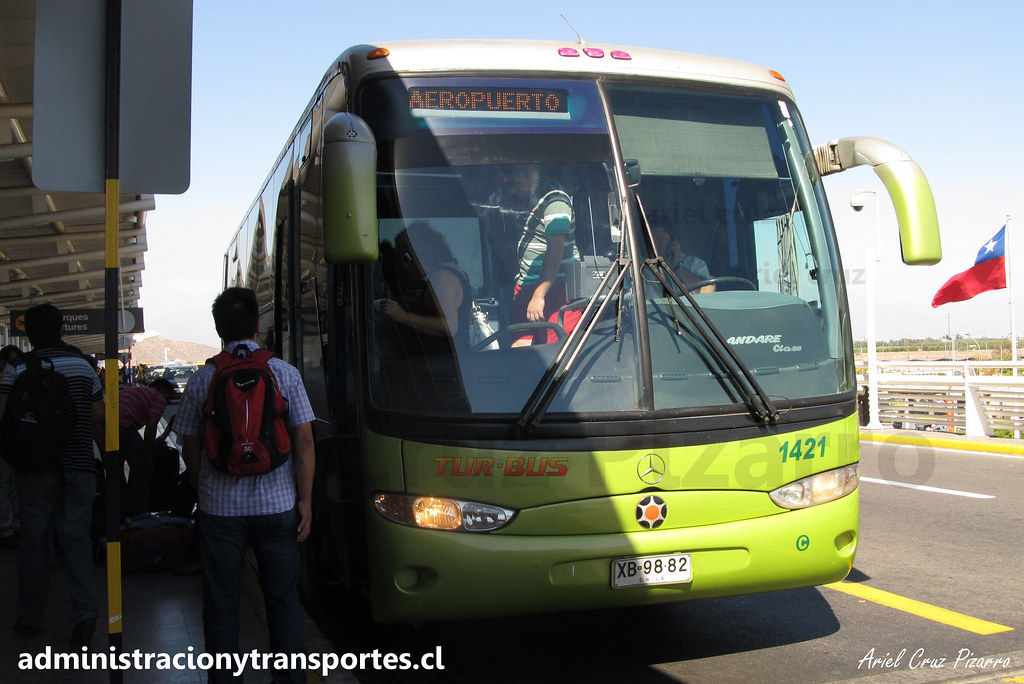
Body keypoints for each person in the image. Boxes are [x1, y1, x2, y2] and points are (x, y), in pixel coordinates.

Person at [175, 287, 315, 684]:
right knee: (282, 601)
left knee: (221, 603)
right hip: (277, 506)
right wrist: (306, 501)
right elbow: (304, 441)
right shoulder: (284, 373)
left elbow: (189, 443)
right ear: (257, 325)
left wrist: (202, 486)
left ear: (219, 329)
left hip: (220, 511)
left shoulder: (203, 378)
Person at [0, 305, 104, 649]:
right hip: (79, 466)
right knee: (77, 541)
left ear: (28, 334)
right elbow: (98, 416)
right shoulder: (83, 367)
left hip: (33, 469)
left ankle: (30, 616)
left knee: (34, 542)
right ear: (62, 330)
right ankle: (85, 615)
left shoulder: (16, 367)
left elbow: (3, 416)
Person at [503, 165, 578, 345]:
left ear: (530, 171)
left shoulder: (556, 202)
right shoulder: (538, 202)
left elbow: (556, 249)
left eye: (516, 182)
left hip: (553, 291)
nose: (513, 190)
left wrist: (538, 295)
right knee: (520, 345)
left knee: (556, 348)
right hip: (529, 287)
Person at [379, 221, 471, 352]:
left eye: (407, 258)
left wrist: (402, 315)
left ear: (421, 251)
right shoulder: (453, 271)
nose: (405, 266)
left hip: (443, 360)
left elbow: (450, 326)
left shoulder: (441, 277)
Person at [119, 378, 177, 516]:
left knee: (117, 470)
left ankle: (122, 506)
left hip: (108, 425)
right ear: (163, 391)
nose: (167, 401)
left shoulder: (137, 391)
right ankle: (138, 512)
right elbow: (151, 426)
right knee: (143, 466)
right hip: (123, 426)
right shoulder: (158, 397)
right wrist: (148, 451)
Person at [650, 223, 715, 294]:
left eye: (659, 239)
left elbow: (707, 290)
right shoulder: (642, 268)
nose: (654, 244)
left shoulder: (693, 263)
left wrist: (678, 266)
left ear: (673, 240)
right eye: (651, 240)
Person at [0, 344, 22, 548]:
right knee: (7, 484)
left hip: (18, 439)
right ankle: (8, 528)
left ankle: (13, 526)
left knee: (11, 484)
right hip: (9, 440)